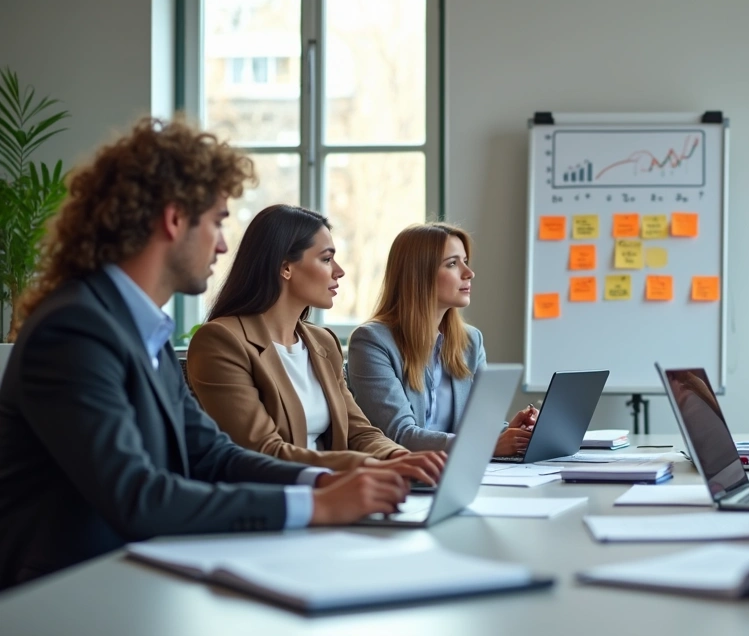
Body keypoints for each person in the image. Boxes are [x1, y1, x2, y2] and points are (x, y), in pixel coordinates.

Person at [0, 118, 420, 590]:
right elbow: (137, 495)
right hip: (69, 593)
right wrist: (317, 506)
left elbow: (215, 456)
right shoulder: (74, 330)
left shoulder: (141, 330)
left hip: (140, 573)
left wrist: (321, 484)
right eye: (218, 220)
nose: (223, 243)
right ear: (175, 218)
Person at [186, 205, 445, 479]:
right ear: (285, 267)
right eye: (326, 259)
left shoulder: (322, 342)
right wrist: (369, 466)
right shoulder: (221, 341)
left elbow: (360, 432)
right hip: (273, 503)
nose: (339, 271)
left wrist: (402, 459)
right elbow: (261, 451)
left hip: (339, 492)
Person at [347, 223, 537, 456]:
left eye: (465, 261)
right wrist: (486, 445)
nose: (469, 273)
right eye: (452, 264)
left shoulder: (471, 341)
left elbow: (476, 428)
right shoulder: (371, 341)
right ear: (418, 274)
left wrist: (509, 432)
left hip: (457, 474)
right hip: (402, 478)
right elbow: (398, 434)